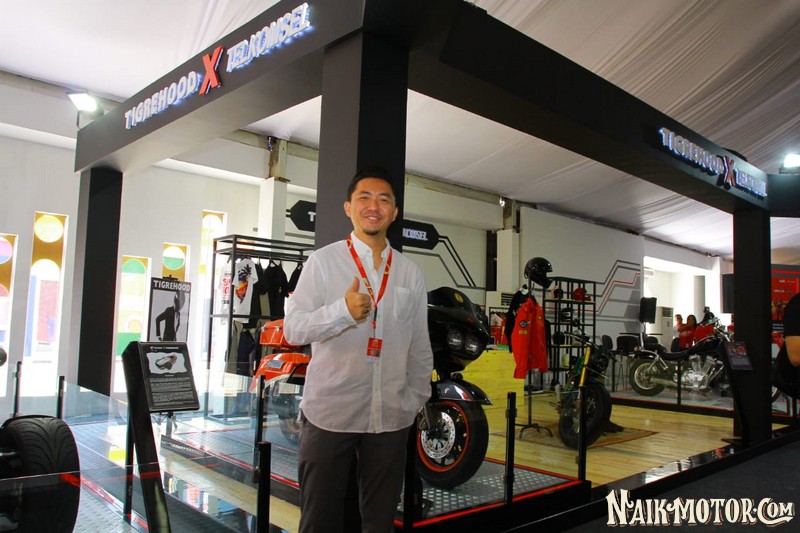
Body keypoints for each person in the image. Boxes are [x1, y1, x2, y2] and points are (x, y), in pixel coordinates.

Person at [283, 167, 433, 533]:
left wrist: (414, 400)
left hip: (391, 417)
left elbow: (419, 346)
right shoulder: (323, 262)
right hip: (330, 414)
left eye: (383, 200)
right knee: (319, 521)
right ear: (348, 208)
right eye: (364, 198)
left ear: (394, 212)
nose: (373, 207)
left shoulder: (409, 272)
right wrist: (342, 313)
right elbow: (293, 328)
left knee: (380, 522)